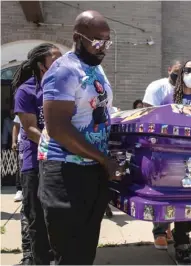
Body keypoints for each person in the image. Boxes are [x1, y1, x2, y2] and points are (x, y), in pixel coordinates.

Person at [37, 11, 123, 264]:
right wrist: (104, 160)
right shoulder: (63, 70)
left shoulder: (97, 69)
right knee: (70, 252)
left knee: (85, 252)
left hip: (91, 169)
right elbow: (58, 128)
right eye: (97, 41)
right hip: (65, 171)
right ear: (77, 37)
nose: (103, 48)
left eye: (107, 42)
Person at [12, 43, 62, 264]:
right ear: (42, 65)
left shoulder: (63, 88)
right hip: (35, 164)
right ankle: (37, 259)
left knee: (57, 217)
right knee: (36, 219)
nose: (61, 64)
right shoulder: (26, 91)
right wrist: (62, 144)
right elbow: (31, 129)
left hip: (60, 161)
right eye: (56, 60)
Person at [158, 60, 191, 264]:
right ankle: (181, 241)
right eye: (188, 70)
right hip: (174, 156)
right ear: (181, 74)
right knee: (178, 198)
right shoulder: (169, 98)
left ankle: (181, 232)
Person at [142, 59, 182, 249]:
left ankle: (170, 230)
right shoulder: (157, 87)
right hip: (161, 144)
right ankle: (160, 230)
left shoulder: (186, 91)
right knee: (163, 187)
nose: (178, 76)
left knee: (179, 188)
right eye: (176, 72)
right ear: (169, 70)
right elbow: (147, 112)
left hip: (181, 145)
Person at [13, 115, 23, 202]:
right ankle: (19, 190)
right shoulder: (21, 110)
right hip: (22, 142)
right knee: (20, 167)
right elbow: (16, 126)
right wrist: (13, 141)